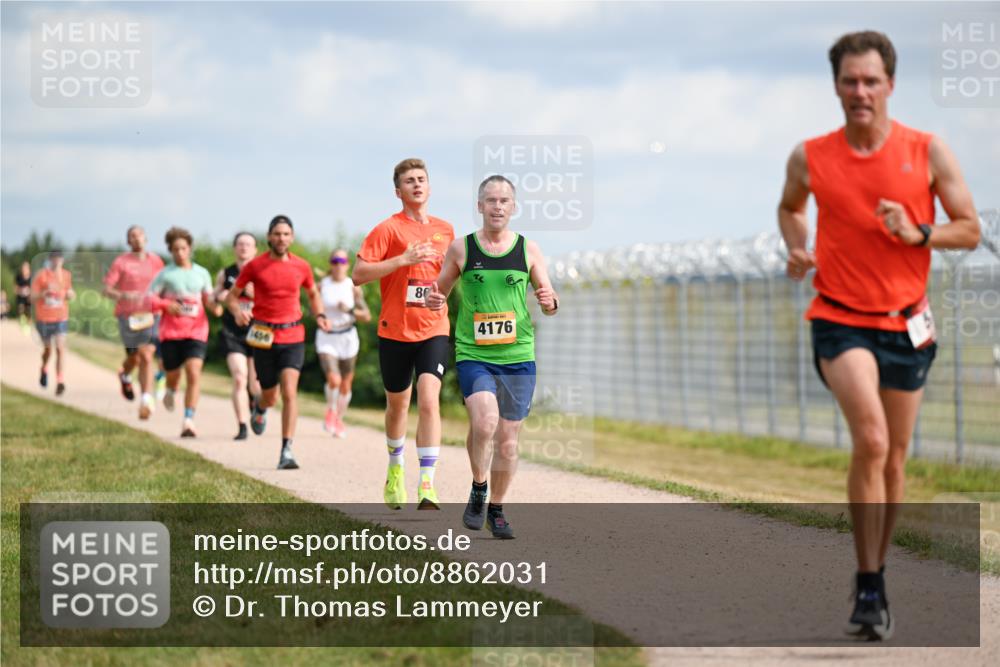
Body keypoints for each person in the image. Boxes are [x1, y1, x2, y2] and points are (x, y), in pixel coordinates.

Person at [778, 31, 980, 640]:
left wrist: (918, 231)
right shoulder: (811, 155)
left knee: (894, 457)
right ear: (836, 85)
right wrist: (797, 246)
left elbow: (968, 229)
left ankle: (877, 573)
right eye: (849, 81)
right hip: (839, 318)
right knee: (870, 440)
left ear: (890, 84)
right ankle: (867, 585)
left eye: (871, 80)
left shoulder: (927, 151)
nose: (860, 91)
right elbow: (790, 207)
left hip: (906, 324)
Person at [427, 175, 558, 538]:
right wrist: (433, 299)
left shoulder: (528, 250)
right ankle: (479, 487)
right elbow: (438, 291)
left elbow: (549, 299)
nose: (497, 206)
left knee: (508, 440)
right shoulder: (462, 249)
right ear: (479, 206)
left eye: (504, 201)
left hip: (518, 355)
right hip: (474, 353)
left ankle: (497, 509)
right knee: (485, 423)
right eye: (491, 200)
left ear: (513, 207)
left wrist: (550, 303)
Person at [353, 158, 454, 510]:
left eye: (421, 179)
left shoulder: (446, 230)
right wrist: (401, 260)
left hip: (434, 327)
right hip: (395, 330)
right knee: (398, 405)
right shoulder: (387, 230)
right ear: (399, 191)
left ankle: (427, 482)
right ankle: (396, 467)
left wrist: (444, 294)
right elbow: (359, 273)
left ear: (429, 186)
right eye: (409, 180)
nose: (417, 184)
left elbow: (451, 274)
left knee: (428, 399)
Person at [226, 215, 331, 469]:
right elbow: (232, 297)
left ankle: (287, 450)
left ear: (291, 238)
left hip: (293, 335)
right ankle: (260, 408)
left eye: (286, 234)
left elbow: (313, 293)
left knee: (290, 391)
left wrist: (319, 314)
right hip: (263, 335)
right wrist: (238, 311)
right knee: (270, 396)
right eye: (277, 234)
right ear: (269, 237)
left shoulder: (302, 267)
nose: (281, 238)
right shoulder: (255, 266)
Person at [148, 227, 222, 437]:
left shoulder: (201, 273)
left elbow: (207, 298)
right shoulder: (164, 274)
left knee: (193, 372)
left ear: (190, 249)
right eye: (175, 249)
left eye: (183, 248)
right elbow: (149, 298)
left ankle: (188, 420)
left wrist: (215, 306)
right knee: (174, 374)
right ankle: (171, 390)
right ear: (170, 251)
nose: (180, 252)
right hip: (171, 333)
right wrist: (165, 305)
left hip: (197, 331)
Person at [103, 225, 166, 419]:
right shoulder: (121, 262)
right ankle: (124, 374)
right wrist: (123, 294)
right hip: (128, 316)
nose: (137, 239)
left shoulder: (156, 261)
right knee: (134, 358)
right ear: (128, 241)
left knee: (147, 355)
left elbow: (164, 285)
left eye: (140, 235)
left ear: (146, 239)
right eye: (132, 236)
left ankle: (146, 399)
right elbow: (106, 289)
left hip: (151, 314)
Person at [316, 249, 371, 438]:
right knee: (334, 380)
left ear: (348, 264)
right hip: (327, 336)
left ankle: (339, 419)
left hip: (348, 337)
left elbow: (367, 315)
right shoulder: (321, 285)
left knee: (346, 384)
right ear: (330, 263)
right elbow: (312, 310)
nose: (339, 264)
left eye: (342, 261)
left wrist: (348, 310)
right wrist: (319, 318)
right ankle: (331, 410)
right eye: (335, 260)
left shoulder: (352, 286)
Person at [214, 232, 263, 440]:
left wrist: (255, 295)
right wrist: (220, 296)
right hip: (233, 332)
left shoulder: (262, 272)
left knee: (256, 384)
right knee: (239, 377)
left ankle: (257, 408)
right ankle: (242, 425)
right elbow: (214, 297)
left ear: (255, 250)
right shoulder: (225, 273)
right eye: (240, 244)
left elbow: (275, 300)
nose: (244, 248)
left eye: (248, 244)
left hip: (258, 332)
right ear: (235, 248)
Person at [31, 250, 75, 395]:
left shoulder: (66, 275)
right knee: (48, 350)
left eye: (59, 259)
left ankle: (60, 381)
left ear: (62, 261)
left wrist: (70, 294)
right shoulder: (42, 275)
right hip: (44, 318)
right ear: (50, 260)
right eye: (54, 258)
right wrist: (43, 294)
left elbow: (71, 293)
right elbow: (32, 297)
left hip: (61, 317)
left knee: (60, 349)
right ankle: (43, 368)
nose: (57, 261)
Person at [15, 261, 32, 331]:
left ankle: (29, 325)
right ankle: (22, 321)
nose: (24, 269)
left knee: (29, 311)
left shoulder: (32, 277)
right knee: (20, 308)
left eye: (26, 267)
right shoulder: (18, 277)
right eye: (23, 267)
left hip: (29, 297)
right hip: (21, 297)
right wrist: (21, 291)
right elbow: (15, 288)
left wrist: (29, 291)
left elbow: (35, 288)